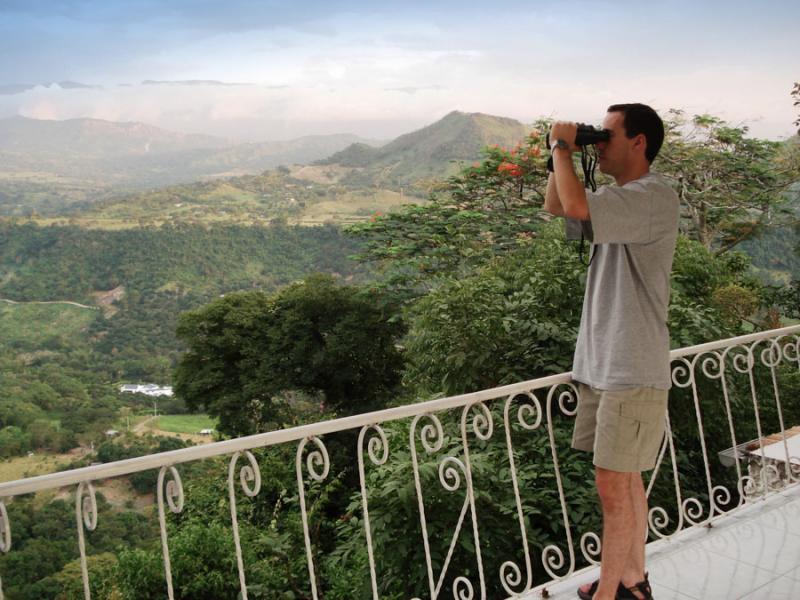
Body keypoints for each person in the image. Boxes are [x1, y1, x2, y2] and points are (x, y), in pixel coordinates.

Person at [543, 104, 679, 600]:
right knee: (624, 482)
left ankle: (607, 595)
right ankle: (632, 580)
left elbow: (575, 207)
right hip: (603, 364)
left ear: (639, 142)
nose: (599, 143)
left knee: (611, 486)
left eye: (607, 134)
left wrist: (563, 145)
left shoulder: (653, 197)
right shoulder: (618, 198)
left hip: (630, 367)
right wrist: (558, 152)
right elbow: (559, 206)